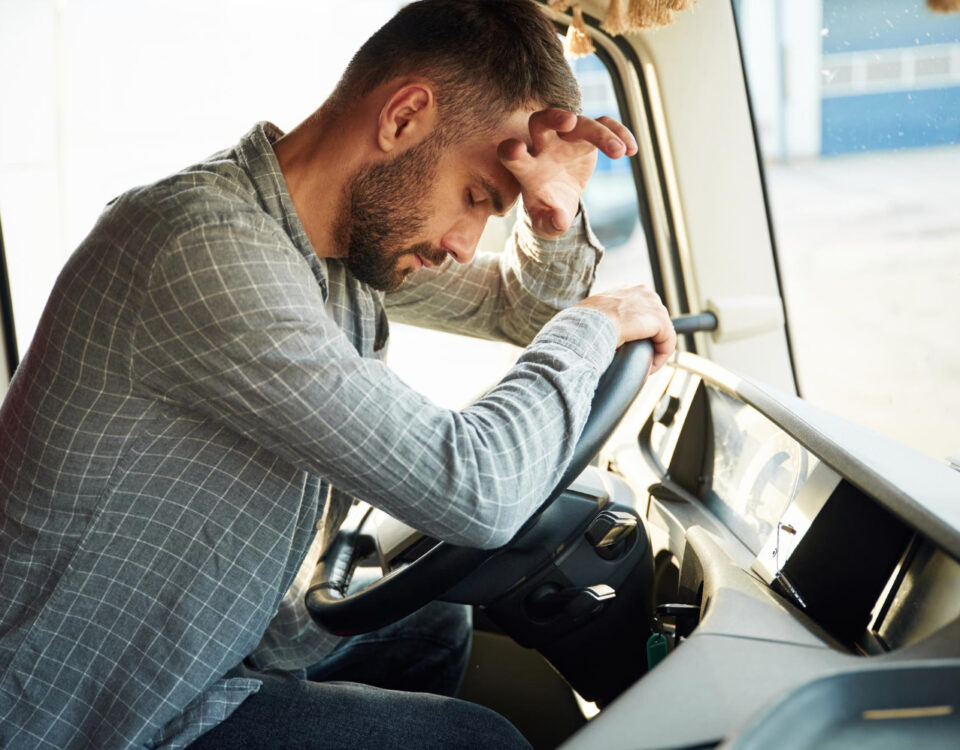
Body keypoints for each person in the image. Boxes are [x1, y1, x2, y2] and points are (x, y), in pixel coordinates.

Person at [0, 1, 676, 748]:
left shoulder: (334, 241)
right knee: (481, 744)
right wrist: (593, 326)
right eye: (479, 196)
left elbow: (517, 309)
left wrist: (550, 219)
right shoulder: (204, 249)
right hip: (89, 719)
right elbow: (476, 491)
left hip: (211, 648)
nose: (463, 243)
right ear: (403, 118)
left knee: (433, 627)